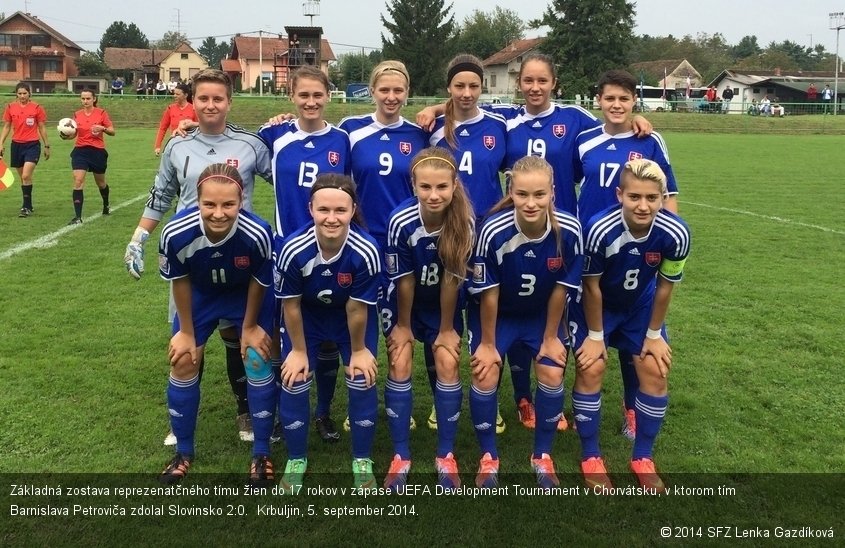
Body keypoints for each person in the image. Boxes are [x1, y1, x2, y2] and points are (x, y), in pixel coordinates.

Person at [418, 53, 651, 431]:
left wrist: (636, 118)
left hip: (561, 234)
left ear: (554, 83)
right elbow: (467, 104)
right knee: (509, 307)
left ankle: (598, 403)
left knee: (567, 317)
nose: (535, 87)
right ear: (518, 83)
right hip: (506, 232)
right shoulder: (507, 120)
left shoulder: (576, 120)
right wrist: (433, 107)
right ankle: (523, 398)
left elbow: (615, 123)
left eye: (543, 81)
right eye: (528, 80)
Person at [125, 68, 273, 446]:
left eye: (217, 98)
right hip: (192, 257)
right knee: (189, 340)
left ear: (229, 101)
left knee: (238, 337)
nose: (210, 105)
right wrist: (139, 236)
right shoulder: (178, 145)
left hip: (239, 252)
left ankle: (246, 411)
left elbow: (288, 178)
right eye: (202, 98)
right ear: (192, 101)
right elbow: (161, 194)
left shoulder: (251, 144)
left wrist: (285, 124)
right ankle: (182, 421)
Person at [571, 158, 690, 491]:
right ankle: (591, 456)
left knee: (655, 367)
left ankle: (642, 458)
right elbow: (591, 286)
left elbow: (666, 285)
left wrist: (653, 334)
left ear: (662, 198)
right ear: (619, 194)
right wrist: (595, 336)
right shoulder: (598, 228)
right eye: (635, 196)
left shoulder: (676, 233)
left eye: (652, 198)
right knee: (591, 366)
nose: (643, 205)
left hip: (640, 305)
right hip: (596, 307)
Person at [574, 69, 680, 442]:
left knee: (636, 344)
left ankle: (631, 410)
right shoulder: (583, 139)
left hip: (636, 252)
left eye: (624, 98)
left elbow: (668, 198)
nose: (617, 105)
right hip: (592, 252)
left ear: (634, 100)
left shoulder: (650, 139)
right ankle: (579, 409)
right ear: (598, 101)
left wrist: (665, 241)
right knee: (591, 339)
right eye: (610, 98)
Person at [467, 155, 583, 488]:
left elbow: (562, 288)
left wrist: (550, 337)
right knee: (485, 373)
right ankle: (489, 457)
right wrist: (488, 345)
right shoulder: (493, 230)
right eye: (522, 195)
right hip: (497, 315)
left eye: (539, 195)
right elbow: (489, 293)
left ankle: (542, 456)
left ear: (553, 193)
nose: (530, 203)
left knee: (551, 367)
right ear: (511, 193)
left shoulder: (570, 230)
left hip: (540, 316)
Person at [157, 163, 276, 486]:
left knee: (256, 357)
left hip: (245, 297)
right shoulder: (176, 232)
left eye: (229, 204)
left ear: (242, 201)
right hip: (201, 297)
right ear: (197, 201)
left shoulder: (258, 232)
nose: (219, 213)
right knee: (183, 360)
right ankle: (183, 452)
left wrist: (250, 327)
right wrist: (185, 331)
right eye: (210, 204)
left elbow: (259, 281)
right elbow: (179, 280)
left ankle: (262, 452)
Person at [259, 64, 351, 443]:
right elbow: (231, 141)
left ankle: (324, 412)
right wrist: (188, 129)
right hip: (287, 250)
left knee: (328, 334)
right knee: (286, 334)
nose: (311, 102)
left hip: (332, 247)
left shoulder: (344, 140)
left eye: (318, 95)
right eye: (303, 95)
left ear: (328, 96)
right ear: (291, 97)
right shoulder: (274, 134)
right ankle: (285, 409)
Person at [338, 60, 429, 430]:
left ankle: (397, 406)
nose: (391, 97)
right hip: (361, 242)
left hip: (406, 245)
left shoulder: (422, 133)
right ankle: (358, 401)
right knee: (358, 324)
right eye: (384, 90)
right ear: (372, 91)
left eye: (399, 90)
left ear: (407, 93)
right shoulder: (350, 131)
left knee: (397, 326)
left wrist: (437, 108)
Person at [275, 173, 382, 490]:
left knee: (361, 376)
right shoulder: (294, 249)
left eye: (340, 210)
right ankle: (296, 459)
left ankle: (362, 459)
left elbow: (356, 308)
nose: (332, 218)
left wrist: (360, 350)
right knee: (294, 378)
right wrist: (297, 351)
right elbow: (291, 306)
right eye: (324, 210)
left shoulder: (366, 250)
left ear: (352, 210)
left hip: (351, 319)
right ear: (311, 209)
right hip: (307, 317)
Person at [426, 53, 512, 433]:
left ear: (482, 88)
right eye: (459, 85)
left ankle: (487, 397)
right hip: (444, 236)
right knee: (441, 320)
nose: (466, 92)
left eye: (473, 86)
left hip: (488, 238)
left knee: (484, 317)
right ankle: (438, 397)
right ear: (449, 88)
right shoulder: (430, 128)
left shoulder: (500, 124)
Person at [382, 148, 475, 490]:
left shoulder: (464, 220)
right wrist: (404, 326)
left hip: (442, 306)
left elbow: (453, 279)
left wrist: (448, 329)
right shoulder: (400, 221)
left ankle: (445, 456)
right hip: (405, 302)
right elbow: (403, 281)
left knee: (448, 362)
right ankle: (401, 456)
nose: (434, 195)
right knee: (400, 360)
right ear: (413, 185)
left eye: (441, 187)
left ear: (454, 185)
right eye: (425, 187)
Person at [0, 82, 50, 217]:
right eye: (20, 93)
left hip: (32, 145)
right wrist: (1, 143)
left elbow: (42, 127)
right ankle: (29, 204)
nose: (22, 96)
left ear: (29, 94)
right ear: (16, 94)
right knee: (23, 179)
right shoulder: (10, 107)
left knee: (26, 175)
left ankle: (25, 207)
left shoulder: (37, 108)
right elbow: (6, 126)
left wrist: (47, 145)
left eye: (25, 93)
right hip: (16, 145)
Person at [66, 89, 114, 225]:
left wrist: (102, 128)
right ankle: (78, 217)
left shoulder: (102, 113)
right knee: (78, 180)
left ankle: (106, 205)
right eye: (83, 98)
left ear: (94, 99)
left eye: (88, 98)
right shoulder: (76, 115)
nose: (85, 101)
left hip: (97, 151)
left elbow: (112, 131)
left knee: (101, 183)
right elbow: (73, 134)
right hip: (80, 150)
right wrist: (65, 135)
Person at [153, 82, 196, 156]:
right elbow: (163, 128)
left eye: (178, 94)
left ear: (185, 95)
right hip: (174, 145)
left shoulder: (194, 109)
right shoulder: (170, 108)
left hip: (190, 146)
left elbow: (200, 128)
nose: (174, 96)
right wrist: (158, 146)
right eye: (174, 94)